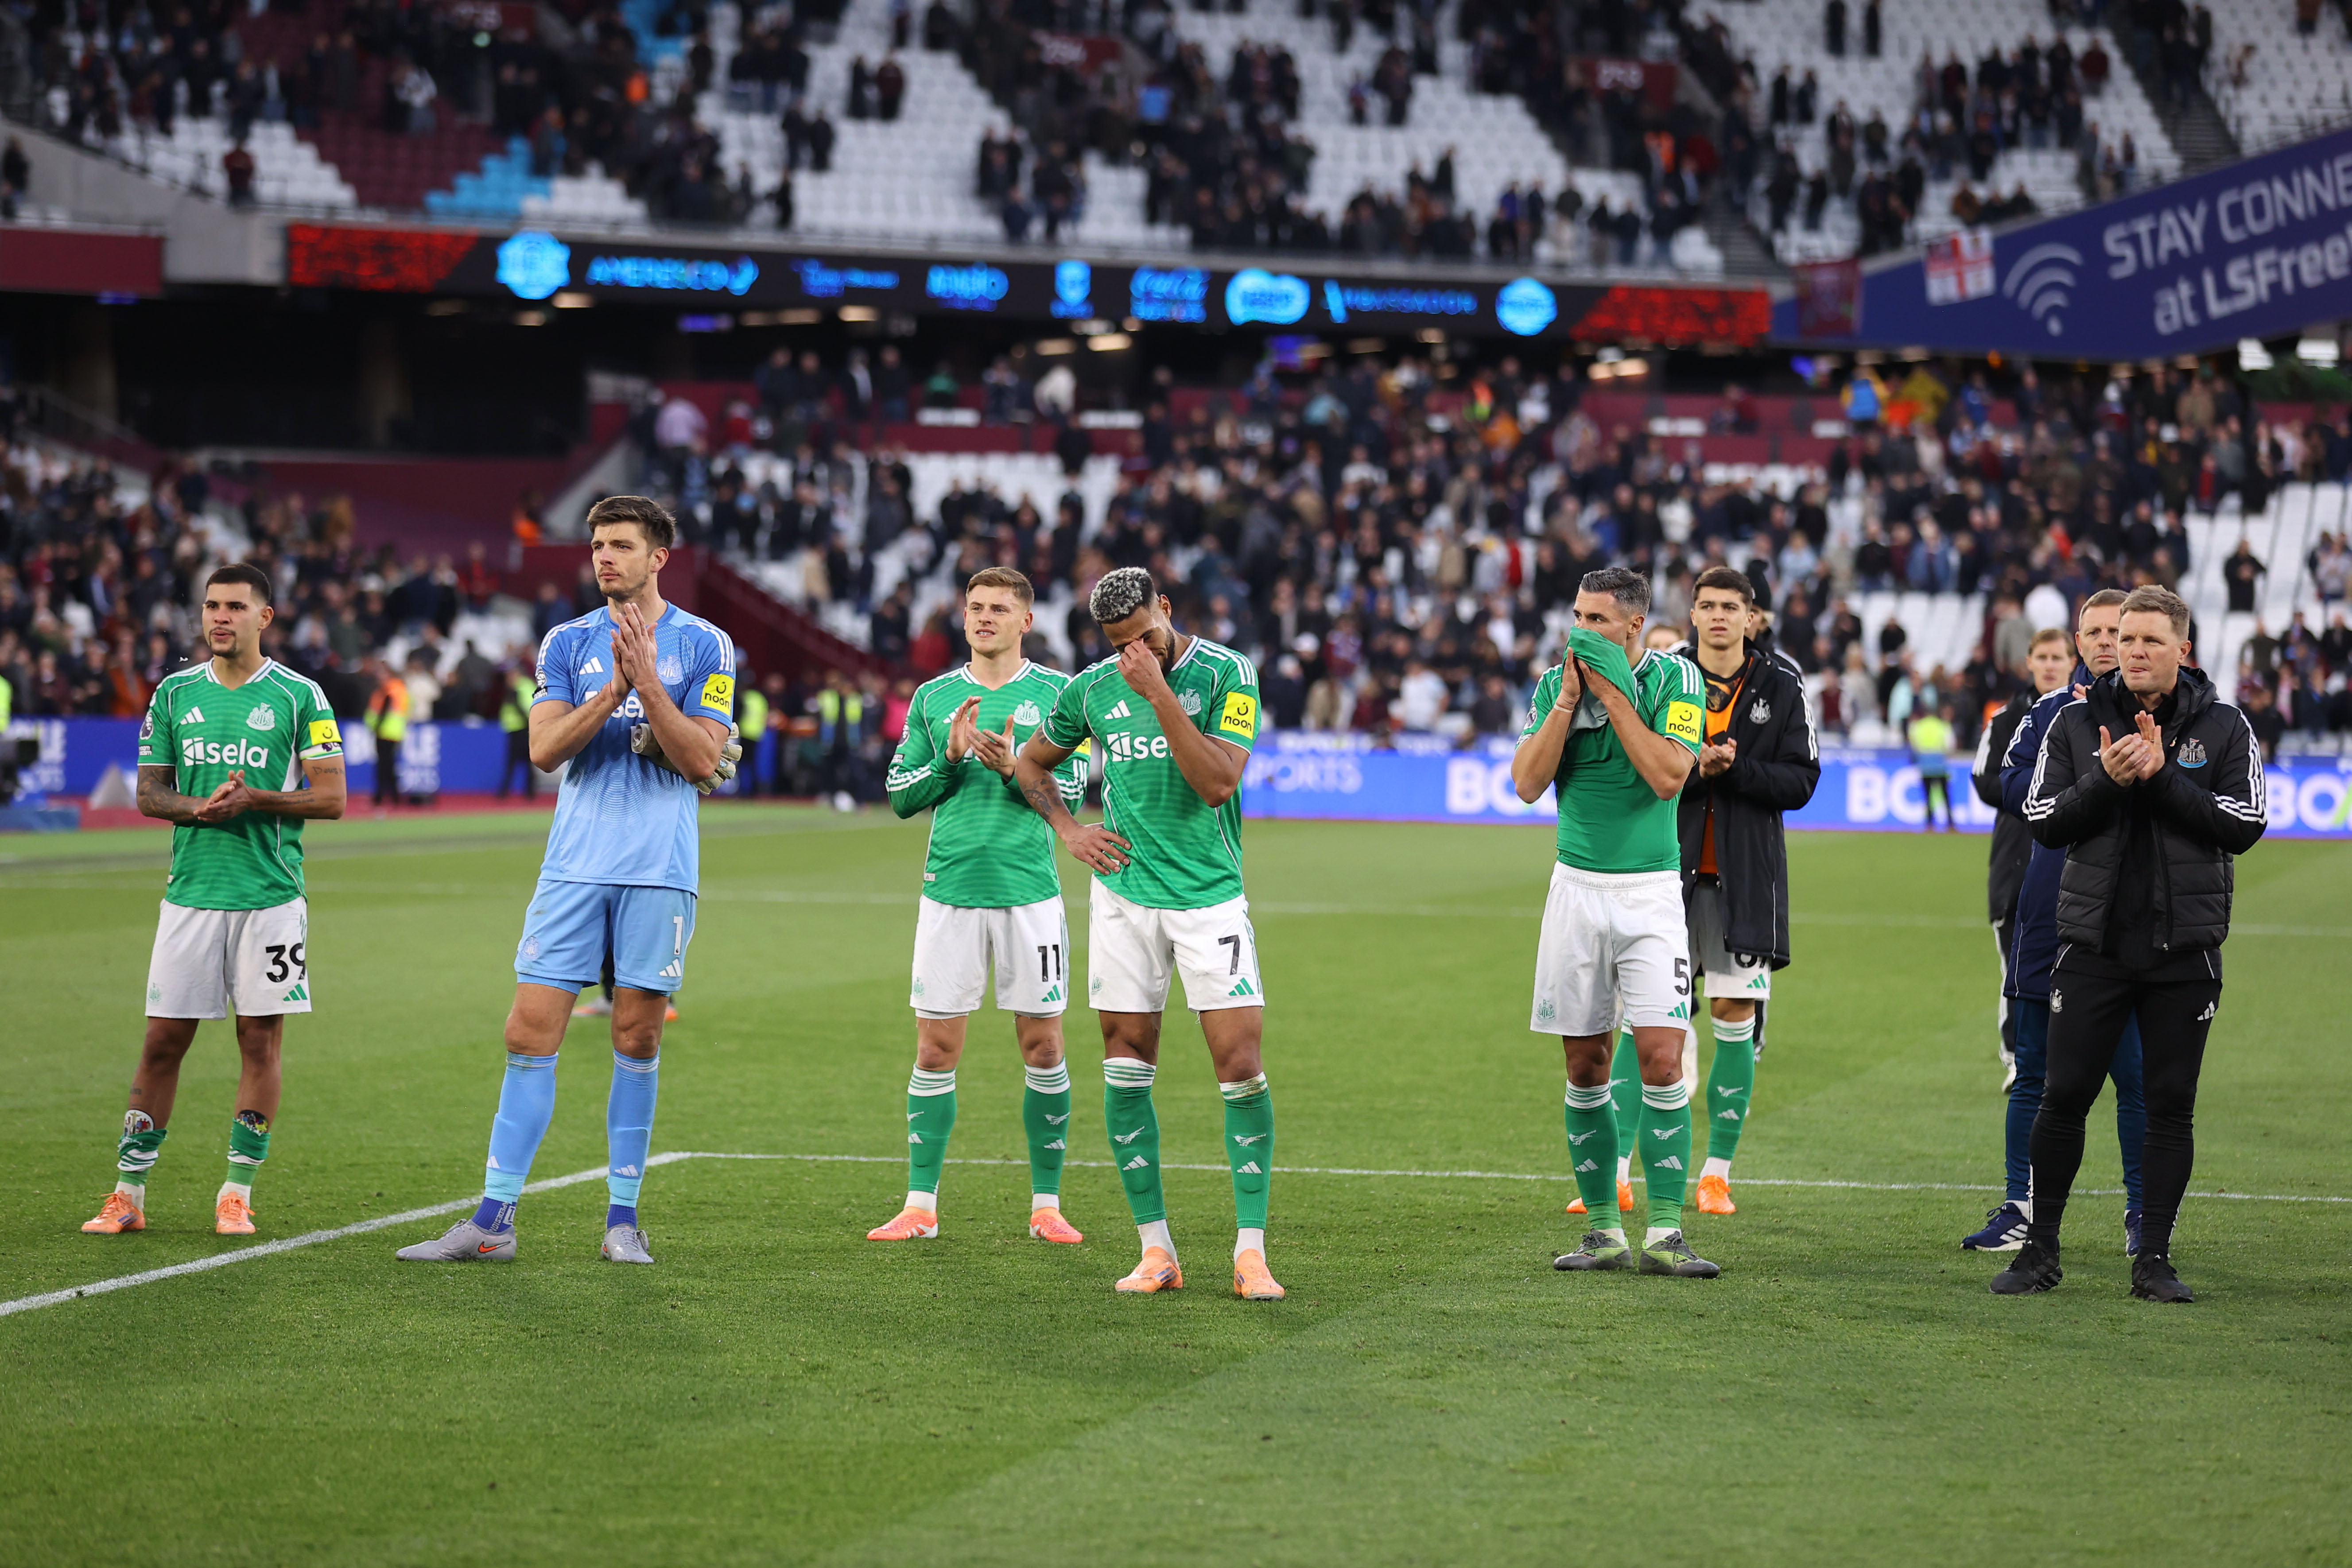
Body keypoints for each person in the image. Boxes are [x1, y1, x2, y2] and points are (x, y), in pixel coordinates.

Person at [395, 497, 739, 1267]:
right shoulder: (566, 641)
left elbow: (702, 760)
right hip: (573, 866)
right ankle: (493, 1220)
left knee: (637, 1035)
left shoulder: (707, 645)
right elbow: (545, 748)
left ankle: (623, 1220)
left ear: (659, 558)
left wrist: (649, 684)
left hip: (659, 869)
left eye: (621, 545)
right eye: (597, 545)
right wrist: (612, 695)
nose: (604, 557)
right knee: (527, 1032)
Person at [1009, 567, 1282, 1300]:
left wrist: (1160, 694)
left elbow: (1219, 781)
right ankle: (1155, 1250)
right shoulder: (1091, 690)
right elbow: (1030, 765)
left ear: (1168, 608)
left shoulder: (1228, 674)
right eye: (1122, 645)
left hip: (1207, 898)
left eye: (1147, 637)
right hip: (1124, 900)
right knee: (1125, 1062)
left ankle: (1251, 1251)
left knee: (1241, 1061)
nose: (1137, 654)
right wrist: (1067, 828)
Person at [1999, 585, 2266, 1303]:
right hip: (2092, 944)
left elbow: (2244, 824)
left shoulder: (2229, 727)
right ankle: (2040, 1252)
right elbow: (2045, 819)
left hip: (2185, 951)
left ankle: (2153, 1258)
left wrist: (2163, 779)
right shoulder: (2075, 722)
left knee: (2170, 1101)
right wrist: (2109, 782)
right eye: (2127, 638)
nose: (2136, 651)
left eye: (2153, 640)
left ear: (2185, 649)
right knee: (2063, 1096)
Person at [82, 563, 347, 1238]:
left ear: (266, 617)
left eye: (234, 606)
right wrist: (200, 810)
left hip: (270, 898)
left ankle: (237, 1192)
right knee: (162, 1041)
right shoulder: (173, 695)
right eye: (210, 607)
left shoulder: (299, 696)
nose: (218, 618)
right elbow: (149, 794)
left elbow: (333, 797)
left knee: (259, 1041)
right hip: (191, 896)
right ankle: (128, 1194)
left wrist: (255, 799)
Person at [867, 568, 1088, 1244]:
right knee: (935, 1048)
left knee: (1044, 1044)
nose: (983, 617)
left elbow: (1074, 791)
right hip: (950, 893)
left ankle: (1046, 1204)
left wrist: (1013, 765)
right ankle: (920, 1205)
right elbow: (900, 794)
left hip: (1029, 894)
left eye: (998, 608)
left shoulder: (1058, 695)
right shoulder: (934, 699)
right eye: (974, 607)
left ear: (1025, 620)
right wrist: (951, 759)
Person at [1510, 567, 1712, 1278]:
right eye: (1577, 617)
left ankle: (1664, 1231)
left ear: (1633, 626)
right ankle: (1602, 1231)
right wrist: (1568, 701)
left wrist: (1612, 695)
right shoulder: (1549, 686)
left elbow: (1666, 776)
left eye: (1598, 622)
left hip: (1651, 894)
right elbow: (1527, 783)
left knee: (1660, 1059)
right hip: (1575, 891)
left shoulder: (1677, 683)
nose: (1582, 632)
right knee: (1584, 1065)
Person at [1968, 591, 2146, 1254]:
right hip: (2047, 908)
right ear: (2078, 641)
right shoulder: (2046, 712)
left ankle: (2142, 1216)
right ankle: (2021, 1205)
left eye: (2116, 630)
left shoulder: (2164, 715)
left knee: (2134, 1077)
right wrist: (2081, 785)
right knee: (2033, 1067)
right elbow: (2012, 787)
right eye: (2094, 631)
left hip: (2125, 915)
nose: (2106, 642)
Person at [1661, 567, 1818, 1216]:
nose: (1719, 616)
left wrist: (1737, 769)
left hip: (1745, 877)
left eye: (1731, 606)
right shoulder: (1664, 677)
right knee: (1650, 1023)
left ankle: (1716, 1174)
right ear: (1692, 614)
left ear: (1751, 618)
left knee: (1733, 1017)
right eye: (1707, 605)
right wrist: (1698, 771)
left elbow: (1801, 780)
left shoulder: (1782, 685)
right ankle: (1615, 1170)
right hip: (1663, 874)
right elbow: (1646, 769)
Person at [1974, 628, 2069, 1092]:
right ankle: (2017, 1057)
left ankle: (2067, 1056)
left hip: (2073, 863)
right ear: (2029, 662)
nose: (2051, 665)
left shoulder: (2089, 712)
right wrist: (2049, 786)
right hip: (2015, 861)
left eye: (2058, 657)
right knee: (2016, 967)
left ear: (2072, 662)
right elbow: (1984, 781)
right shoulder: (2008, 717)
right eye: (2043, 657)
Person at [363, 656, 408, 806]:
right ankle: (393, 797)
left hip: (385, 732)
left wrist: (377, 726)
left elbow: (384, 711)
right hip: (394, 732)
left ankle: (381, 797)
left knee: (384, 766)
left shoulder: (390, 690)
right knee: (388, 765)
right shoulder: (399, 689)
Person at [1907, 699, 1955, 830]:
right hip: (1940, 765)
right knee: (1945, 795)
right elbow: (1950, 745)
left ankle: (1929, 823)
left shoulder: (1918, 726)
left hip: (1925, 766)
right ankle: (1951, 823)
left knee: (1928, 797)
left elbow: (1914, 744)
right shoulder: (1943, 726)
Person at [494, 657, 536, 799]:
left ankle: (526, 793)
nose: (507, 678)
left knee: (523, 762)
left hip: (523, 730)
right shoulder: (516, 688)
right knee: (519, 762)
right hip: (514, 729)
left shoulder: (524, 686)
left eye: (510, 674)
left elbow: (530, 709)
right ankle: (526, 793)